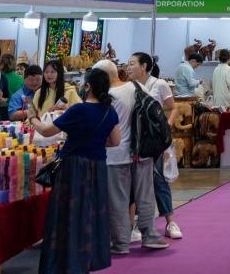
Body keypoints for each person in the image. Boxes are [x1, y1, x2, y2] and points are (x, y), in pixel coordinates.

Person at [29, 66, 120, 274]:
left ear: (87, 86)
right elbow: (115, 141)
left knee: (68, 213)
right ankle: (86, 260)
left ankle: (65, 262)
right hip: (97, 167)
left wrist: (32, 117)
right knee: (91, 214)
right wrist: (94, 143)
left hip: (73, 167)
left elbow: (47, 131)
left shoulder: (79, 110)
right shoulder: (109, 110)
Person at [97, 59, 168, 254]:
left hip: (115, 154)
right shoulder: (138, 87)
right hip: (142, 151)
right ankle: (150, 235)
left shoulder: (106, 96)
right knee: (145, 196)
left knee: (118, 199)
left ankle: (120, 243)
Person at [127, 52, 182, 239]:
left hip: (155, 141)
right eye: (128, 64)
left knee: (159, 179)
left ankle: (170, 221)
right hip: (135, 141)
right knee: (134, 182)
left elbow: (173, 108)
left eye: (132, 64)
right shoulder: (128, 86)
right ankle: (135, 224)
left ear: (144, 66)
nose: (128, 67)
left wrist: (166, 127)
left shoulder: (159, 84)